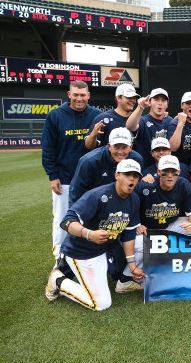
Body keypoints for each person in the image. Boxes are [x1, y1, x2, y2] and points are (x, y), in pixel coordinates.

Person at [44, 159, 142, 311]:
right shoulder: (98, 195)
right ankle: (58, 280)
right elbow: (67, 222)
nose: (132, 179)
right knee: (101, 304)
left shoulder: (134, 199)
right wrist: (89, 234)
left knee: (136, 247)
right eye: (127, 174)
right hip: (82, 252)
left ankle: (118, 278)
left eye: (136, 176)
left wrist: (132, 265)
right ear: (117, 175)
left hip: (105, 250)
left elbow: (129, 234)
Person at [117, 155, 191, 293]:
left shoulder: (183, 184)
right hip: (146, 231)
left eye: (173, 172)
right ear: (158, 172)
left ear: (179, 172)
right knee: (138, 243)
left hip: (168, 226)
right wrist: (137, 224)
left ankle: (181, 269)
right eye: (165, 172)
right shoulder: (144, 186)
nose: (170, 176)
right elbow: (126, 210)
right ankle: (126, 278)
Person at [42, 80, 102, 260]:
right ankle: (60, 259)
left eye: (83, 95)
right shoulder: (55, 116)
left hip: (91, 180)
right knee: (62, 219)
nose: (79, 98)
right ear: (69, 95)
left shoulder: (97, 115)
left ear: (89, 96)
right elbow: (48, 148)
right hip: (65, 178)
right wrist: (53, 176)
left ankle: (91, 256)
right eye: (75, 95)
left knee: (92, 218)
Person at [69, 127, 143, 206]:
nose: (120, 152)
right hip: (93, 204)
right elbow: (76, 193)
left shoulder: (136, 160)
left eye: (124, 147)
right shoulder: (89, 161)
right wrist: (76, 215)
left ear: (130, 147)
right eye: (116, 147)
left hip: (122, 205)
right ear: (109, 146)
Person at [125, 88, 174, 166]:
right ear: (150, 102)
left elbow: (173, 147)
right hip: (145, 169)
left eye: (163, 100)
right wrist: (140, 107)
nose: (160, 103)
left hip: (165, 169)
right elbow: (130, 126)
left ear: (167, 104)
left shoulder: (170, 121)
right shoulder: (143, 120)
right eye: (156, 99)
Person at [85, 83, 140, 149]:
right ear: (119, 98)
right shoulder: (103, 119)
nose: (133, 100)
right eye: (129, 97)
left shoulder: (138, 119)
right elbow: (89, 146)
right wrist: (93, 135)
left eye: (134, 97)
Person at [167, 91, 191, 165]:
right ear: (182, 105)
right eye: (188, 103)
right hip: (179, 167)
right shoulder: (175, 123)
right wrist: (180, 124)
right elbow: (172, 148)